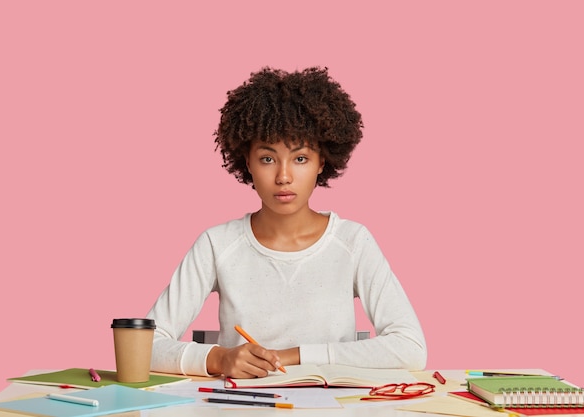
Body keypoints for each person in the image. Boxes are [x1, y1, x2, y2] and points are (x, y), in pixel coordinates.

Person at [146, 67, 427, 379]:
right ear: (247, 161)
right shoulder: (217, 244)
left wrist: (295, 356)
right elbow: (145, 346)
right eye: (267, 159)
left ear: (323, 161)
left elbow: (410, 347)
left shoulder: (353, 242)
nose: (283, 176)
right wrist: (219, 358)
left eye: (300, 158)